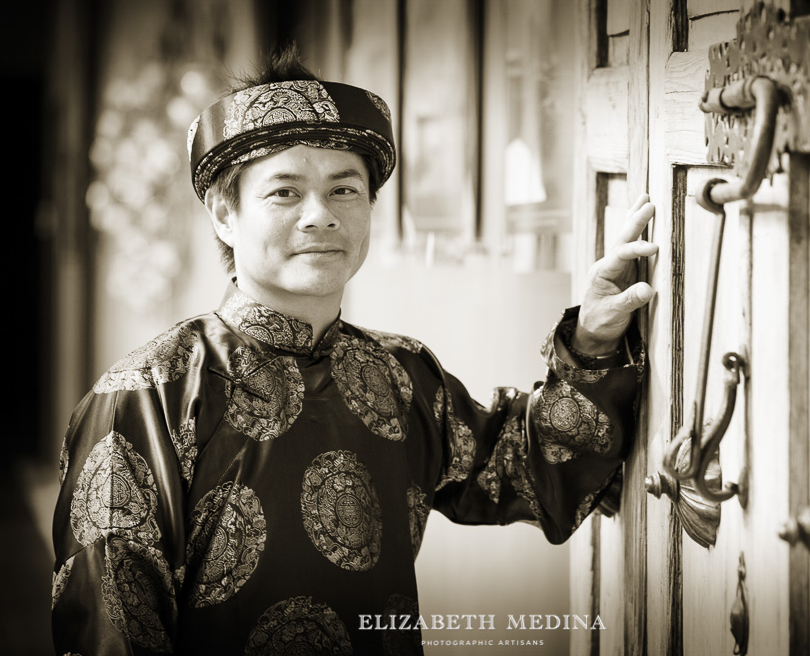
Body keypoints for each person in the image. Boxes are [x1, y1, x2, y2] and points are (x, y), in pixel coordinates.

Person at [51, 47, 658, 655]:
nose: (321, 216)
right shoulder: (145, 396)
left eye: (344, 189)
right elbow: (113, 632)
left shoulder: (398, 374)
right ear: (224, 215)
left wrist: (594, 339)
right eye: (284, 193)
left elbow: (529, 471)